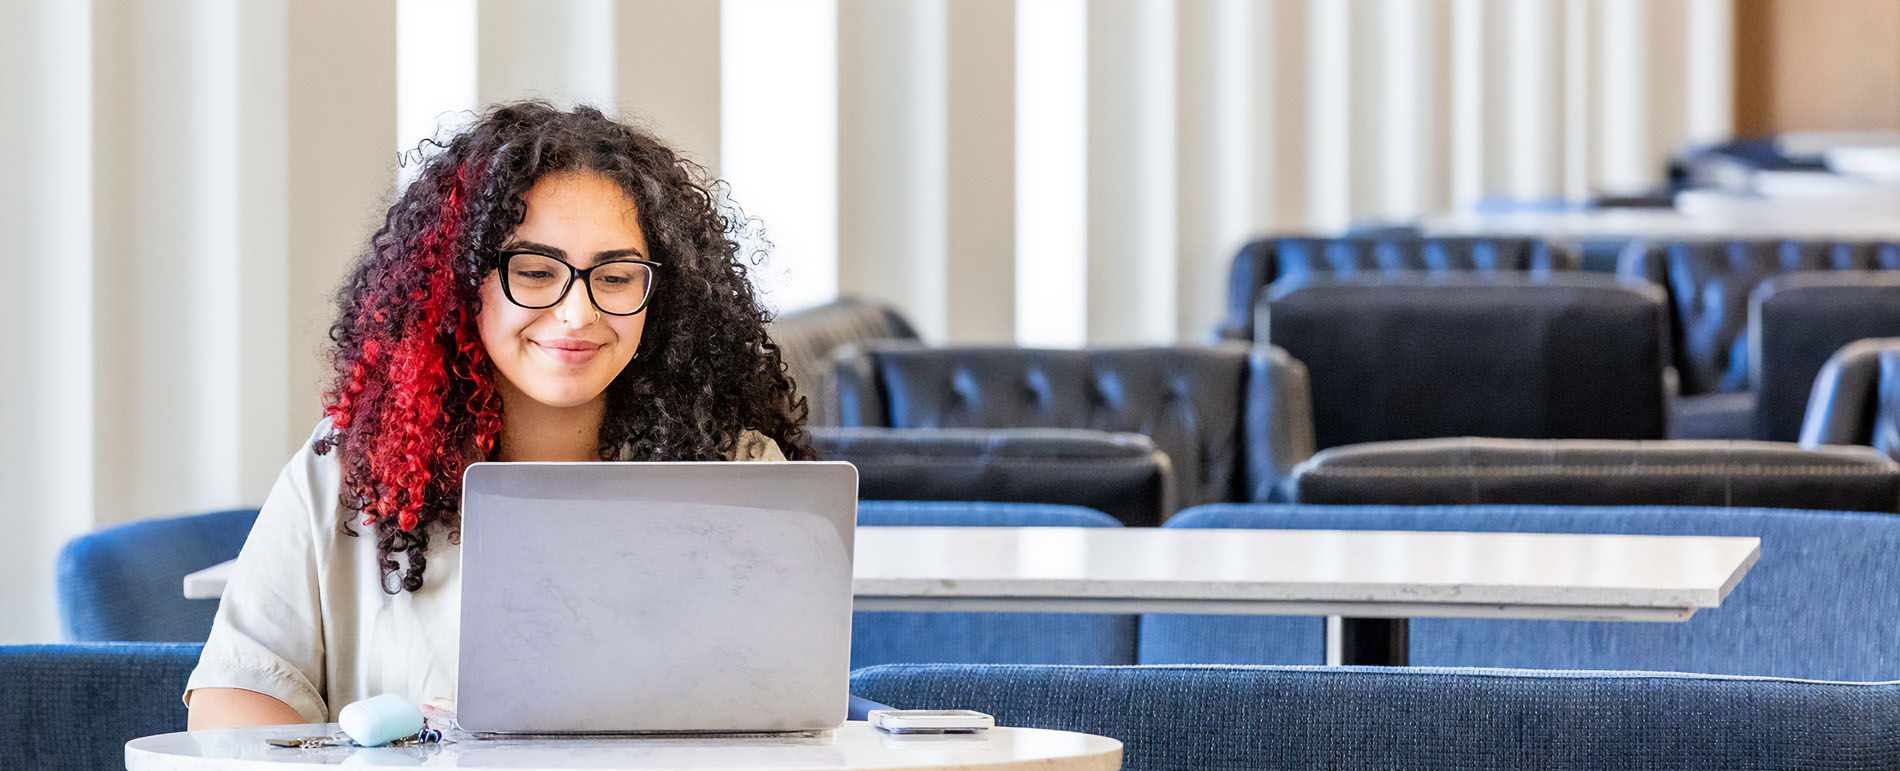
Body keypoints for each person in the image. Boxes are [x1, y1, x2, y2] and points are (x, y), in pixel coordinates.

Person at [184, 102, 812, 729]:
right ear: (459, 282)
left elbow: (784, 717)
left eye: (616, 278)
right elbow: (238, 694)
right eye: (536, 272)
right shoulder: (352, 465)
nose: (576, 314)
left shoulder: (735, 470)